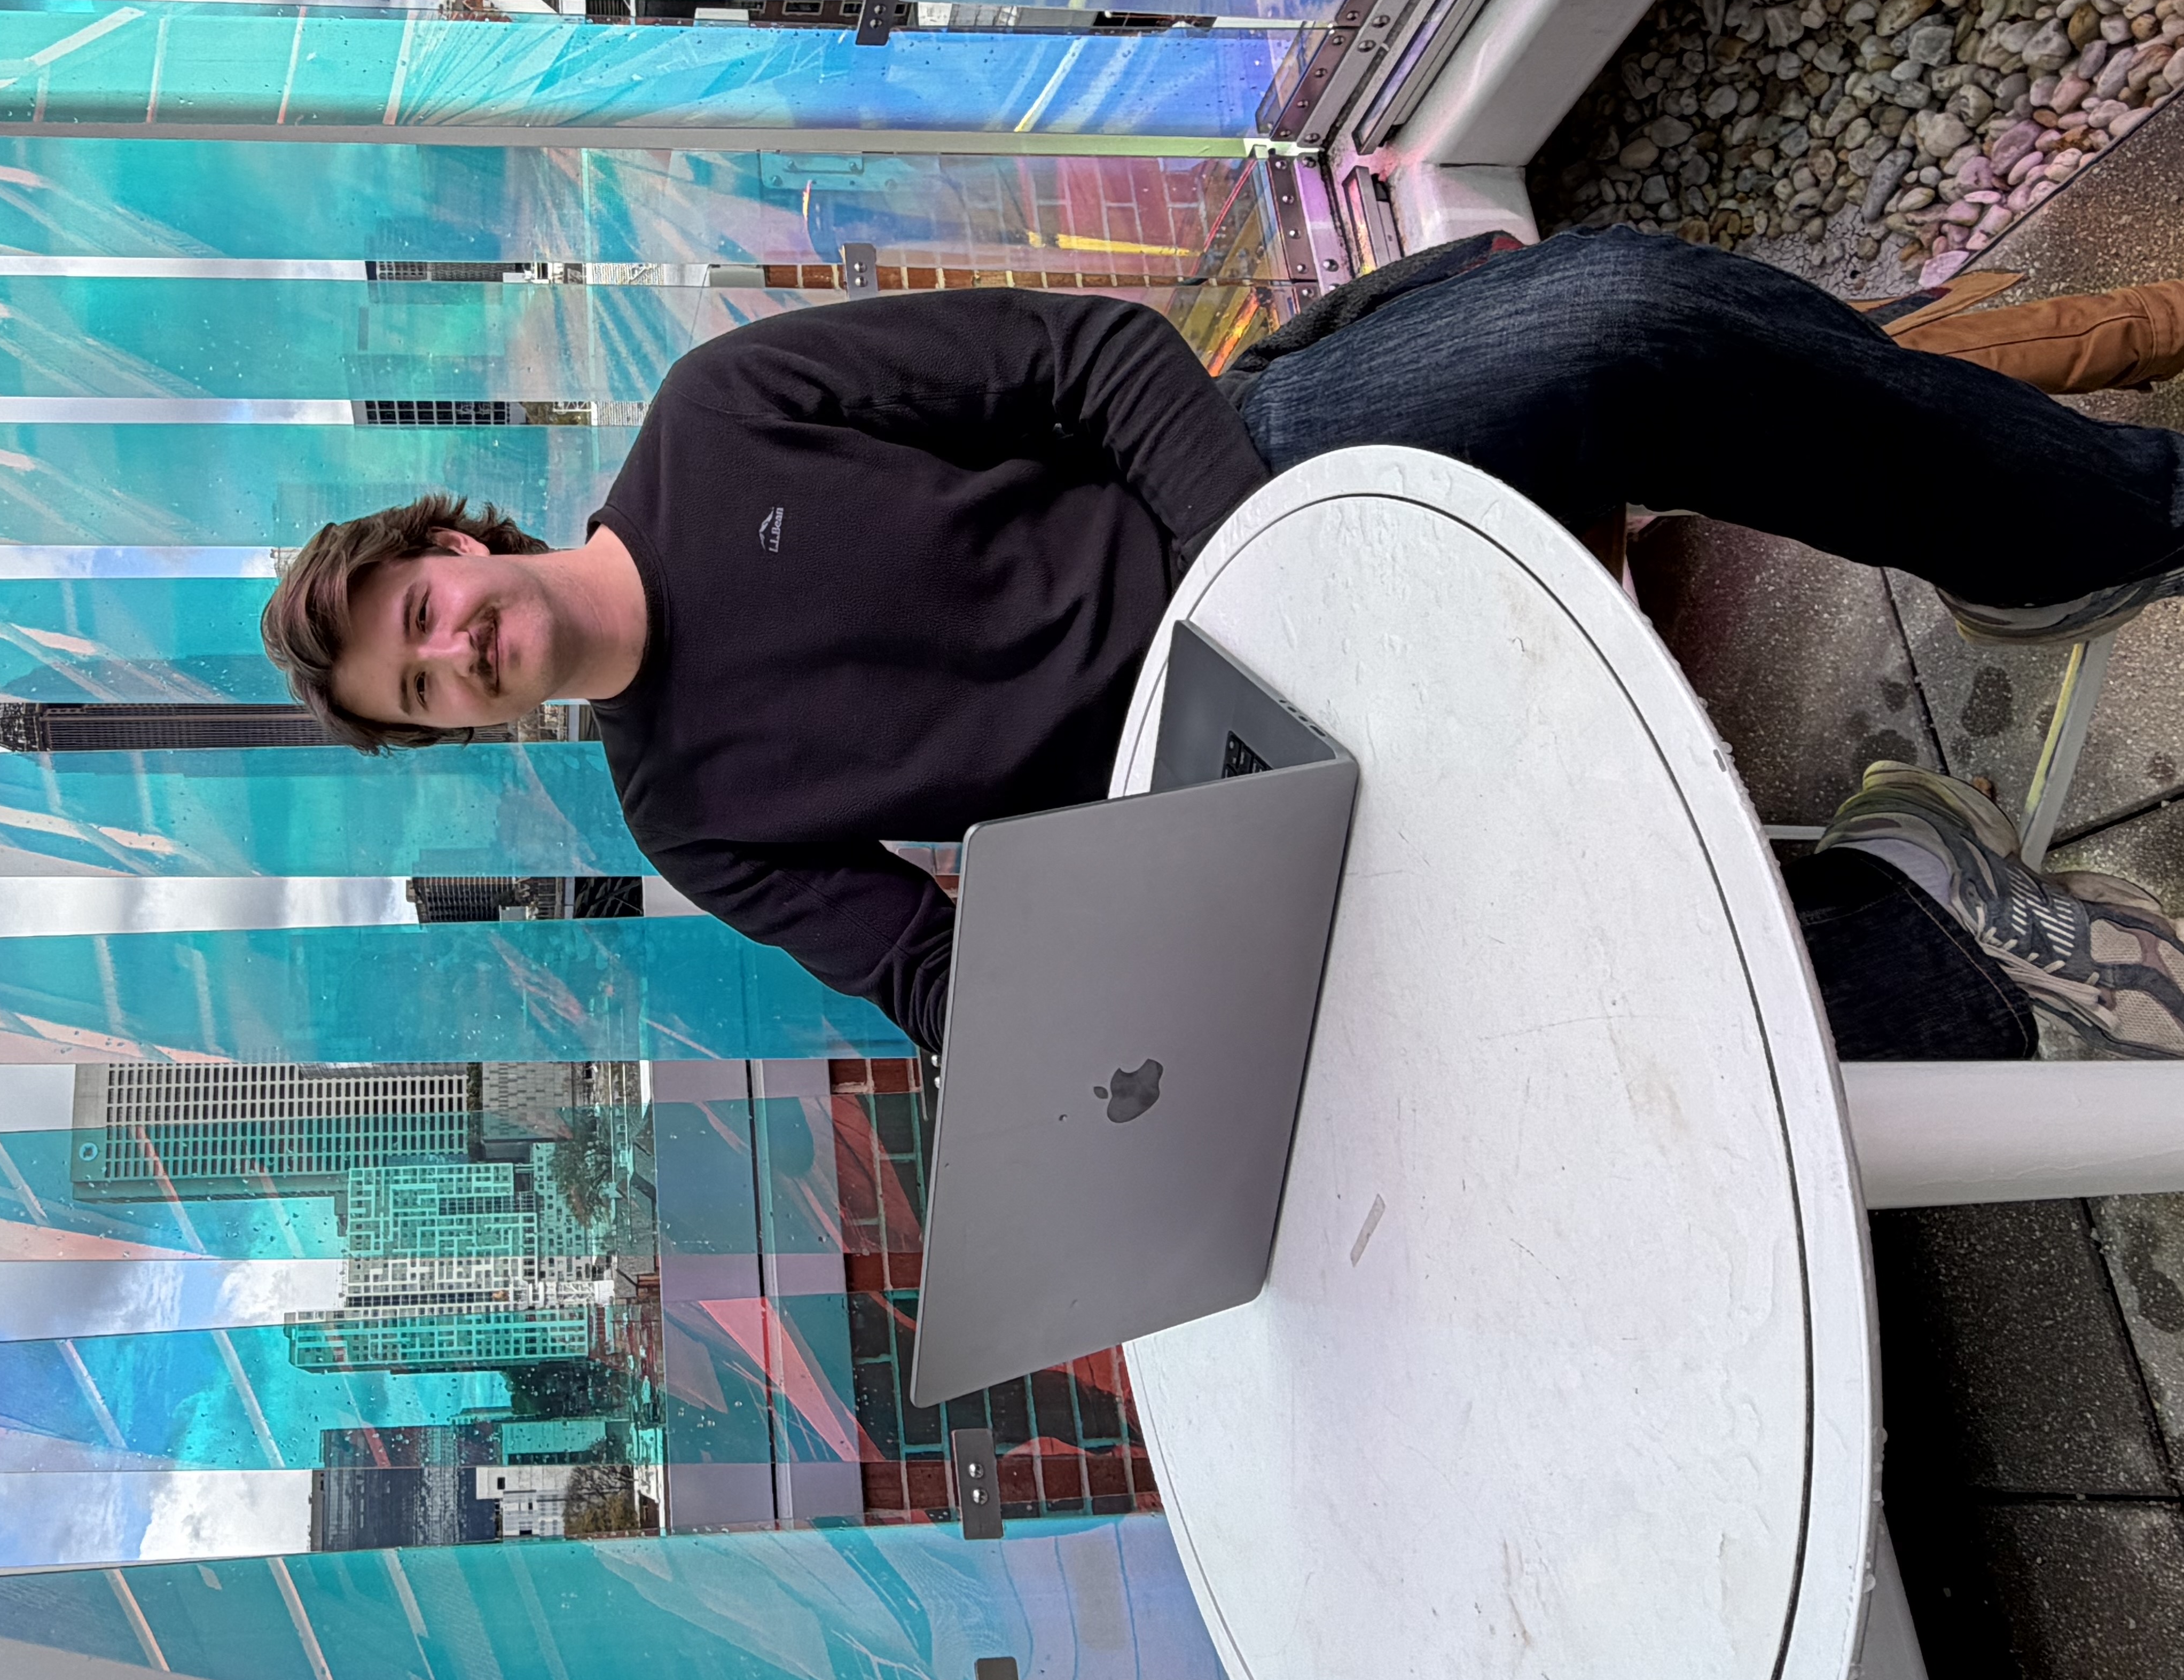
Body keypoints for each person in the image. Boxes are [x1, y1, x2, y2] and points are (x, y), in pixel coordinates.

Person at [263, 227, 2184, 1061]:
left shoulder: (716, 416)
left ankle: (2077, 530)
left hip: (1250, 493)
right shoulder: (686, 815)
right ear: (459, 728)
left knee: (1610, 331)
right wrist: (1071, 1064)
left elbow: (1089, 359)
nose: (459, 654)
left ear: (456, 537)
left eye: (426, 615)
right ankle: (1912, 924)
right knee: (1463, 1056)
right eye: (425, 690)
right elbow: (927, 968)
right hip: (1215, 791)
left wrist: (1248, 590)